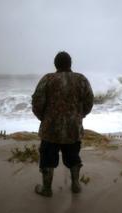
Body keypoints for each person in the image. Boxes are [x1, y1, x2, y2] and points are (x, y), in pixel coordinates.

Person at [31, 51, 94, 197]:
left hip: (50, 129)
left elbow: (37, 102)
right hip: (73, 128)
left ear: (55, 64)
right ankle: (76, 185)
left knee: (47, 158)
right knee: (73, 156)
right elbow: (89, 101)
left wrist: (43, 118)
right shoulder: (81, 79)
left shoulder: (48, 79)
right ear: (70, 63)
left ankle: (47, 189)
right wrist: (79, 116)